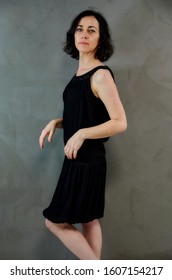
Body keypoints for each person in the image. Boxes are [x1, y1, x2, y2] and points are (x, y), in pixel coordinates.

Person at [39, 9, 127, 260]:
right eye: (80, 29)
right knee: (89, 219)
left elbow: (120, 122)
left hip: (87, 162)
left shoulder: (100, 75)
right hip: (78, 159)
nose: (84, 34)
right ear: (73, 35)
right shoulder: (79, 75)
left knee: (54, 222)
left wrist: (82, 134)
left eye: (92, 30)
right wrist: (58, 122)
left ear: (101, 39)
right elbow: (86, 115)